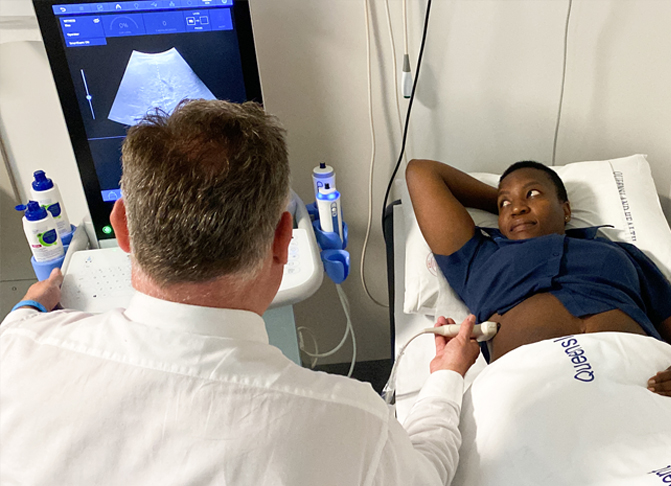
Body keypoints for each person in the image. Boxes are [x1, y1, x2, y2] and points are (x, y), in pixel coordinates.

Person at [0, 100, 480, 485]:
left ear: (122, 227)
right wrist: (445, 377)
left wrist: (27, 310)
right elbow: (427, 472)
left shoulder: (16, 351)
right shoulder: (351, 426)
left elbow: (19, 331)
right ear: (282, 239)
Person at [405, 158, 671, 406]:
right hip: (533, 392)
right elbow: (421, 172)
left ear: (567, 209)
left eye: (532, 193)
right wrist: (516, 209)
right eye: (506, 203)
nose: (517, 206)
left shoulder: (622, 254)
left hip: (645, 382)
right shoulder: (477, 255)